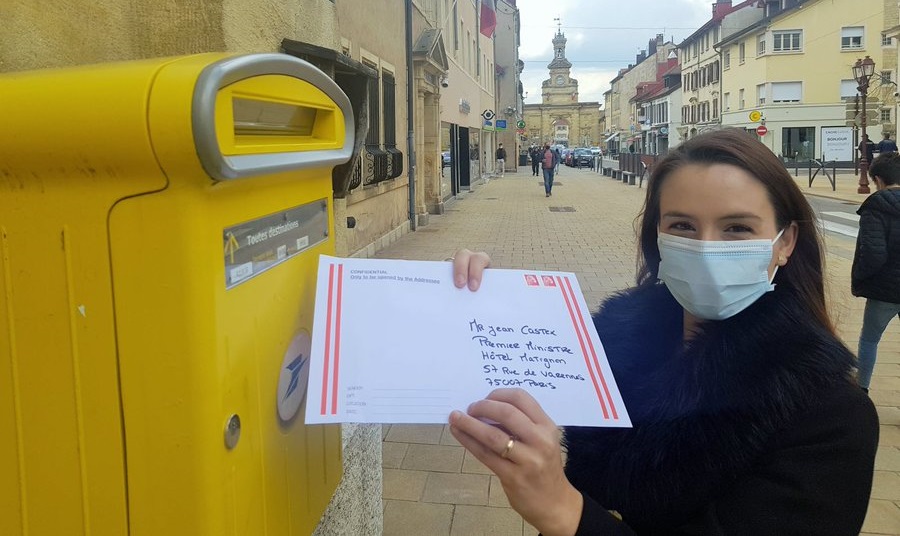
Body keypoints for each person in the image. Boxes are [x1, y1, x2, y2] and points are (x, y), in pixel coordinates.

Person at [448, 128, 878, 535]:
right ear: (658, 236)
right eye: (683, 226)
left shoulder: (831, 417)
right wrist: (479, 302)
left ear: (785, 242)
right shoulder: (612, 344)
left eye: (738, 228)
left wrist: (565, 513)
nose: (707, 248)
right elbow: (524, 370)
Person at [852, 151, 900, 392]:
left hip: (884, 290)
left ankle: (862, 390)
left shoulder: (876, 206)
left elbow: (873, 254)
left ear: (878, 180)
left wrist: (860, 276)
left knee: (870, 340)